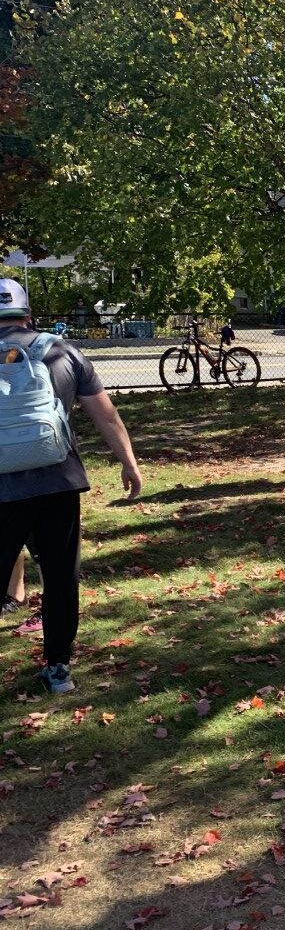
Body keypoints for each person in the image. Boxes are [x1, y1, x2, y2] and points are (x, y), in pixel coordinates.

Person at [0, 278, 142, 693]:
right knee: (60, 577)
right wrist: (129, 463)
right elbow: (106, 415)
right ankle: (59, 669)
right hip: (58, 482)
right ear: (28, 313)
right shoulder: (62, 351)